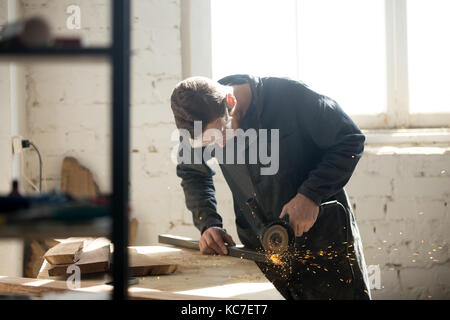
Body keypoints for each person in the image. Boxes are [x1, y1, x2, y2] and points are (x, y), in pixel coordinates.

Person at [170, 74, 371, 300]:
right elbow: (192, 172)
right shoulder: (198, 120)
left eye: (223, 131)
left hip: (323, 241)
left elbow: (350, 139)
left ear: (230, 101)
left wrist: (310, 195)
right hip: (263, 251)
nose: (222, 145)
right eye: (209, 142)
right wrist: (208, 223)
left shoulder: (290, 96)